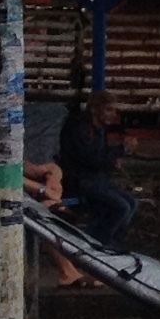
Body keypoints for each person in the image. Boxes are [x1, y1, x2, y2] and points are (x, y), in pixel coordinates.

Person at [55, 96, 139, 251]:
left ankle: (114, 242)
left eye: (114, 110)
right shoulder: (79, 127)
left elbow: (100, 155)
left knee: (132, 203)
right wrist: (122, 149)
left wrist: (112, 161)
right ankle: (96, 246)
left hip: (95, 178)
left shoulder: (99, 129)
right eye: (108, 109)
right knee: (120, 207)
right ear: (94, 109)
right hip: (78, 181)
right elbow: (90, 158)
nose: (113, 114)